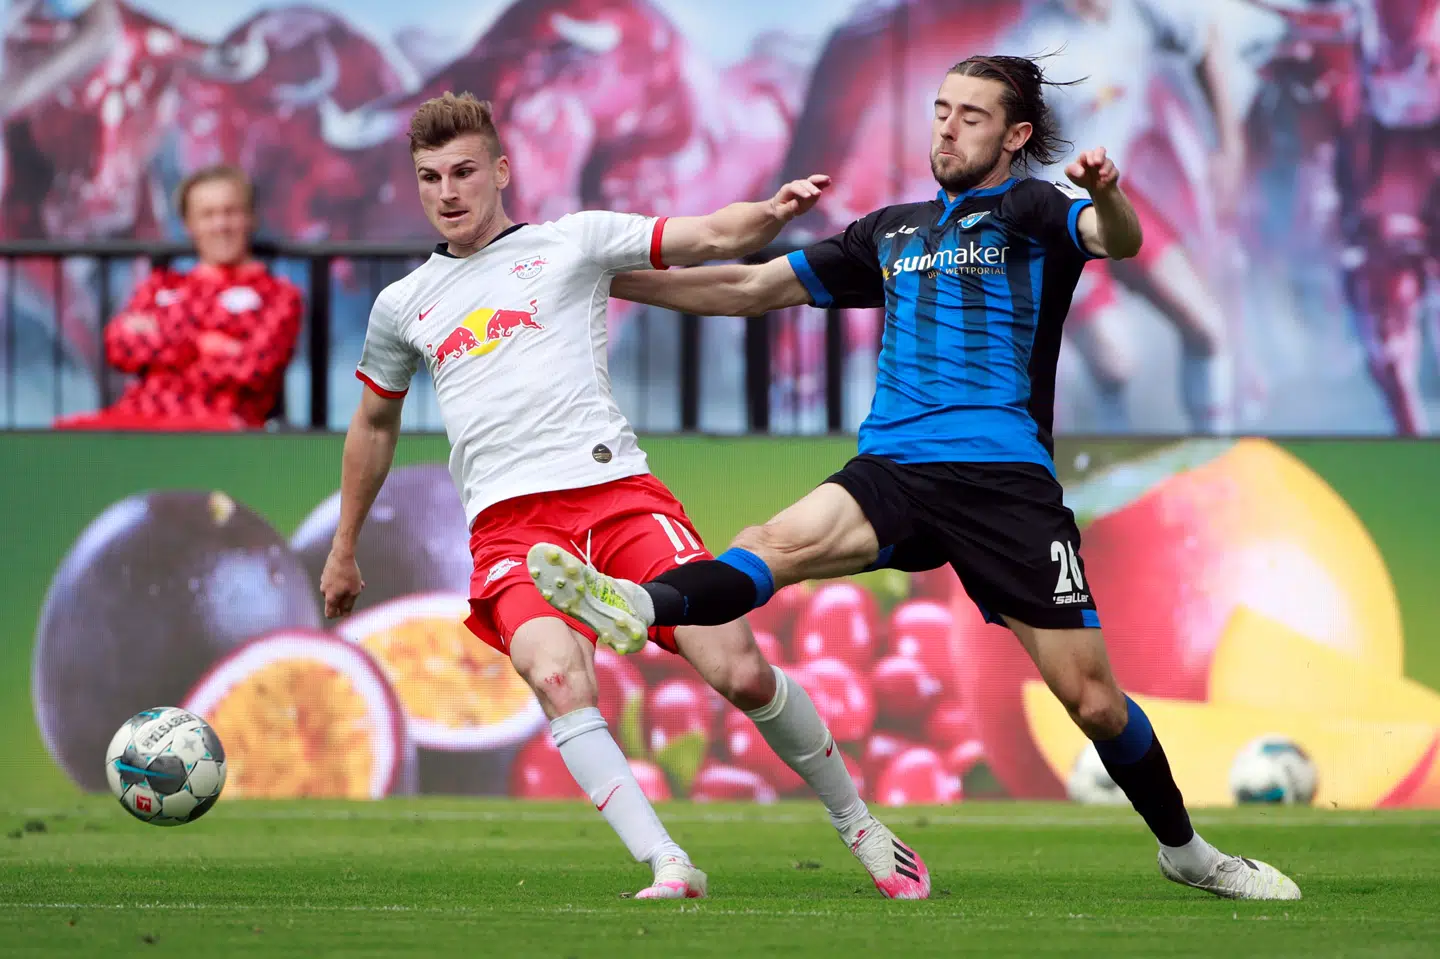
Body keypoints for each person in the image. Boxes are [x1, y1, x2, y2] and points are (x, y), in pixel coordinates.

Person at [528, 56, 1302, 901]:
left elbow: (1117, 241)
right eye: (940, 110)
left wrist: (1108, 190)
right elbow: (747, 287)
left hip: (1005, 484)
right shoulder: (888, 233)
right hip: (893, 466)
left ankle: (1186, 850)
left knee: (1093, 702)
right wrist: (596, 281)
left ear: (1015, 136)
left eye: (971, 115)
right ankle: (638, 604)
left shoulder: (1033, 209)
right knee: (769, 543)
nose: (946, 125)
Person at [320, 92, 928, 901]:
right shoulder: (403, 305)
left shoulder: (571, 243)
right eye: (430, 177)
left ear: (502, 171)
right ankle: (668, 861)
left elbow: (710, 235)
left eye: (464, 171)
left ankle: (862, 827)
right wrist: (343, 544)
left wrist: (774, 212)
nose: (448, 190)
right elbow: (373, 422)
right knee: (555, 675)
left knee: (739, 669)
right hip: (509, 525)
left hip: (615, 495)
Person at [53, 165, 301, 431]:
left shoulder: (278, 295)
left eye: (231, 212)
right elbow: (119, 346)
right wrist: (202, 344)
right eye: (208, 214)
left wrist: (161, 341)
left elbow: (253, 368)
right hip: (134, 423)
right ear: (188, 225)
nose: (221, 225)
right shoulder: (161, 285)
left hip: (219, 432)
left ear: (251, 218)